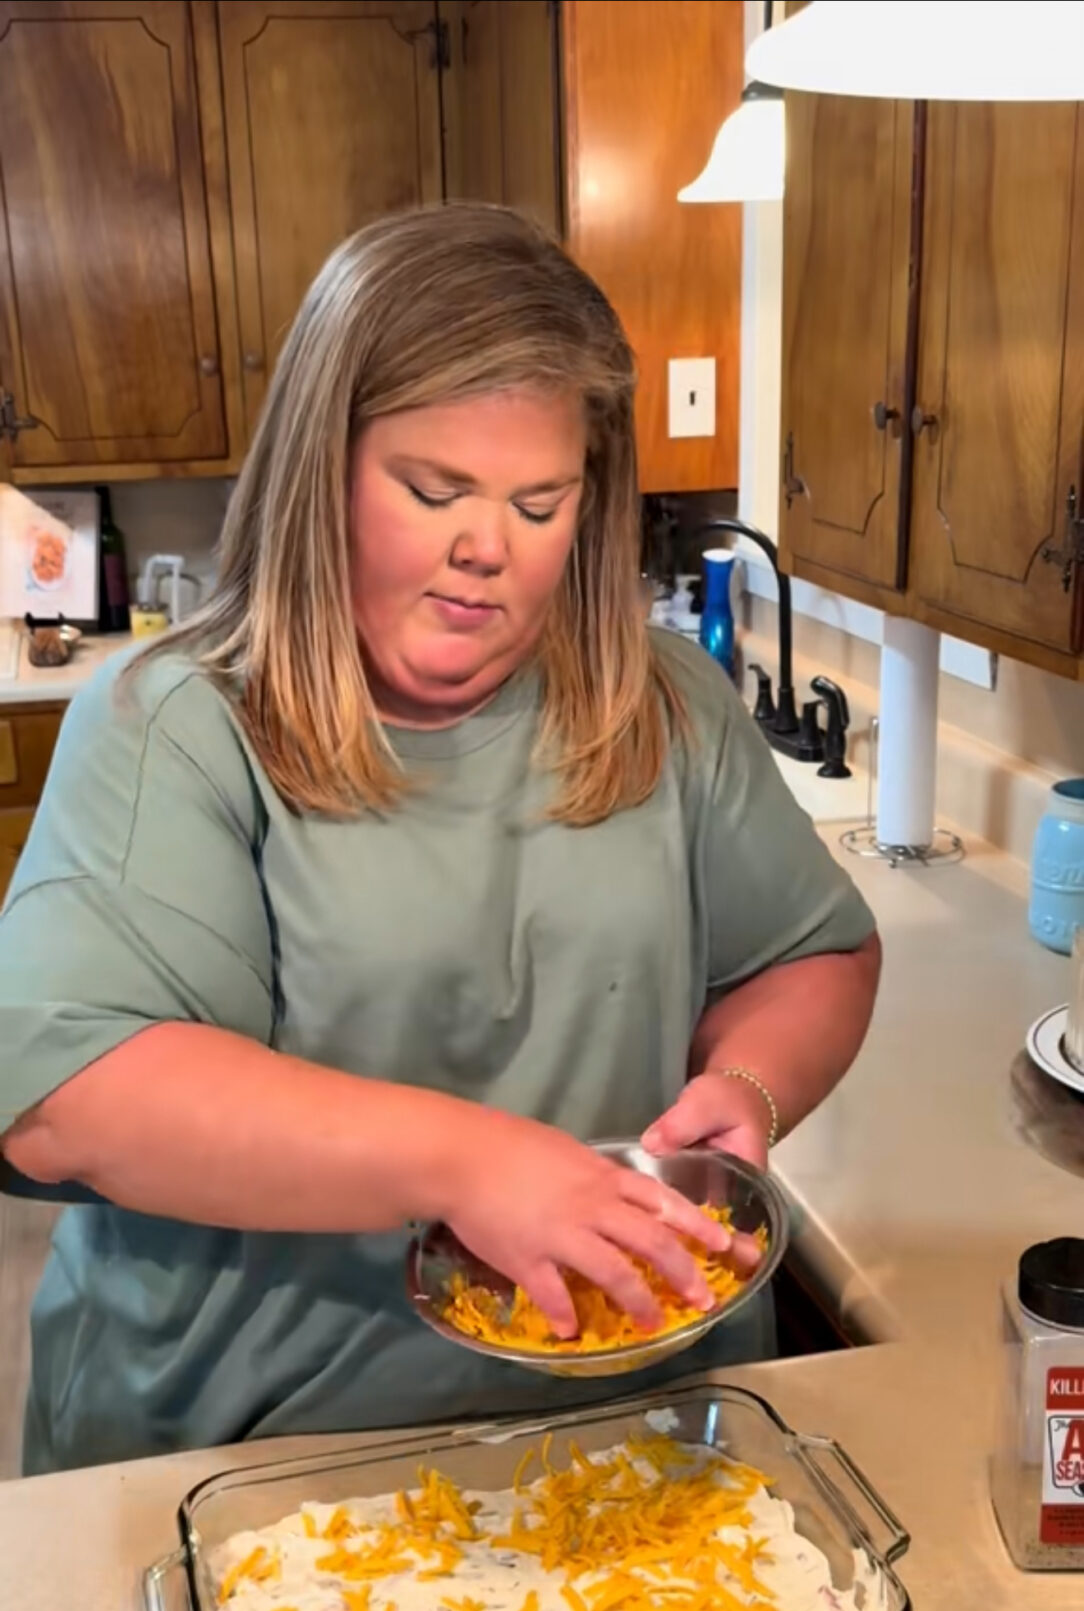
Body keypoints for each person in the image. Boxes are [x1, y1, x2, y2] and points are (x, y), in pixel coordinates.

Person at [0, 206, 880, 1476]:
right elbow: (70, 1100)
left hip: (621, 1426)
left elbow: (814, 955)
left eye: (539, 502)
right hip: (251, 1454)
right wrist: (471, 1162)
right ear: (323, 468)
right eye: (433, 490)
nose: (487, 550)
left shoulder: (662, 702)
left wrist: (743, 1095)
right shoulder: (175, 724)